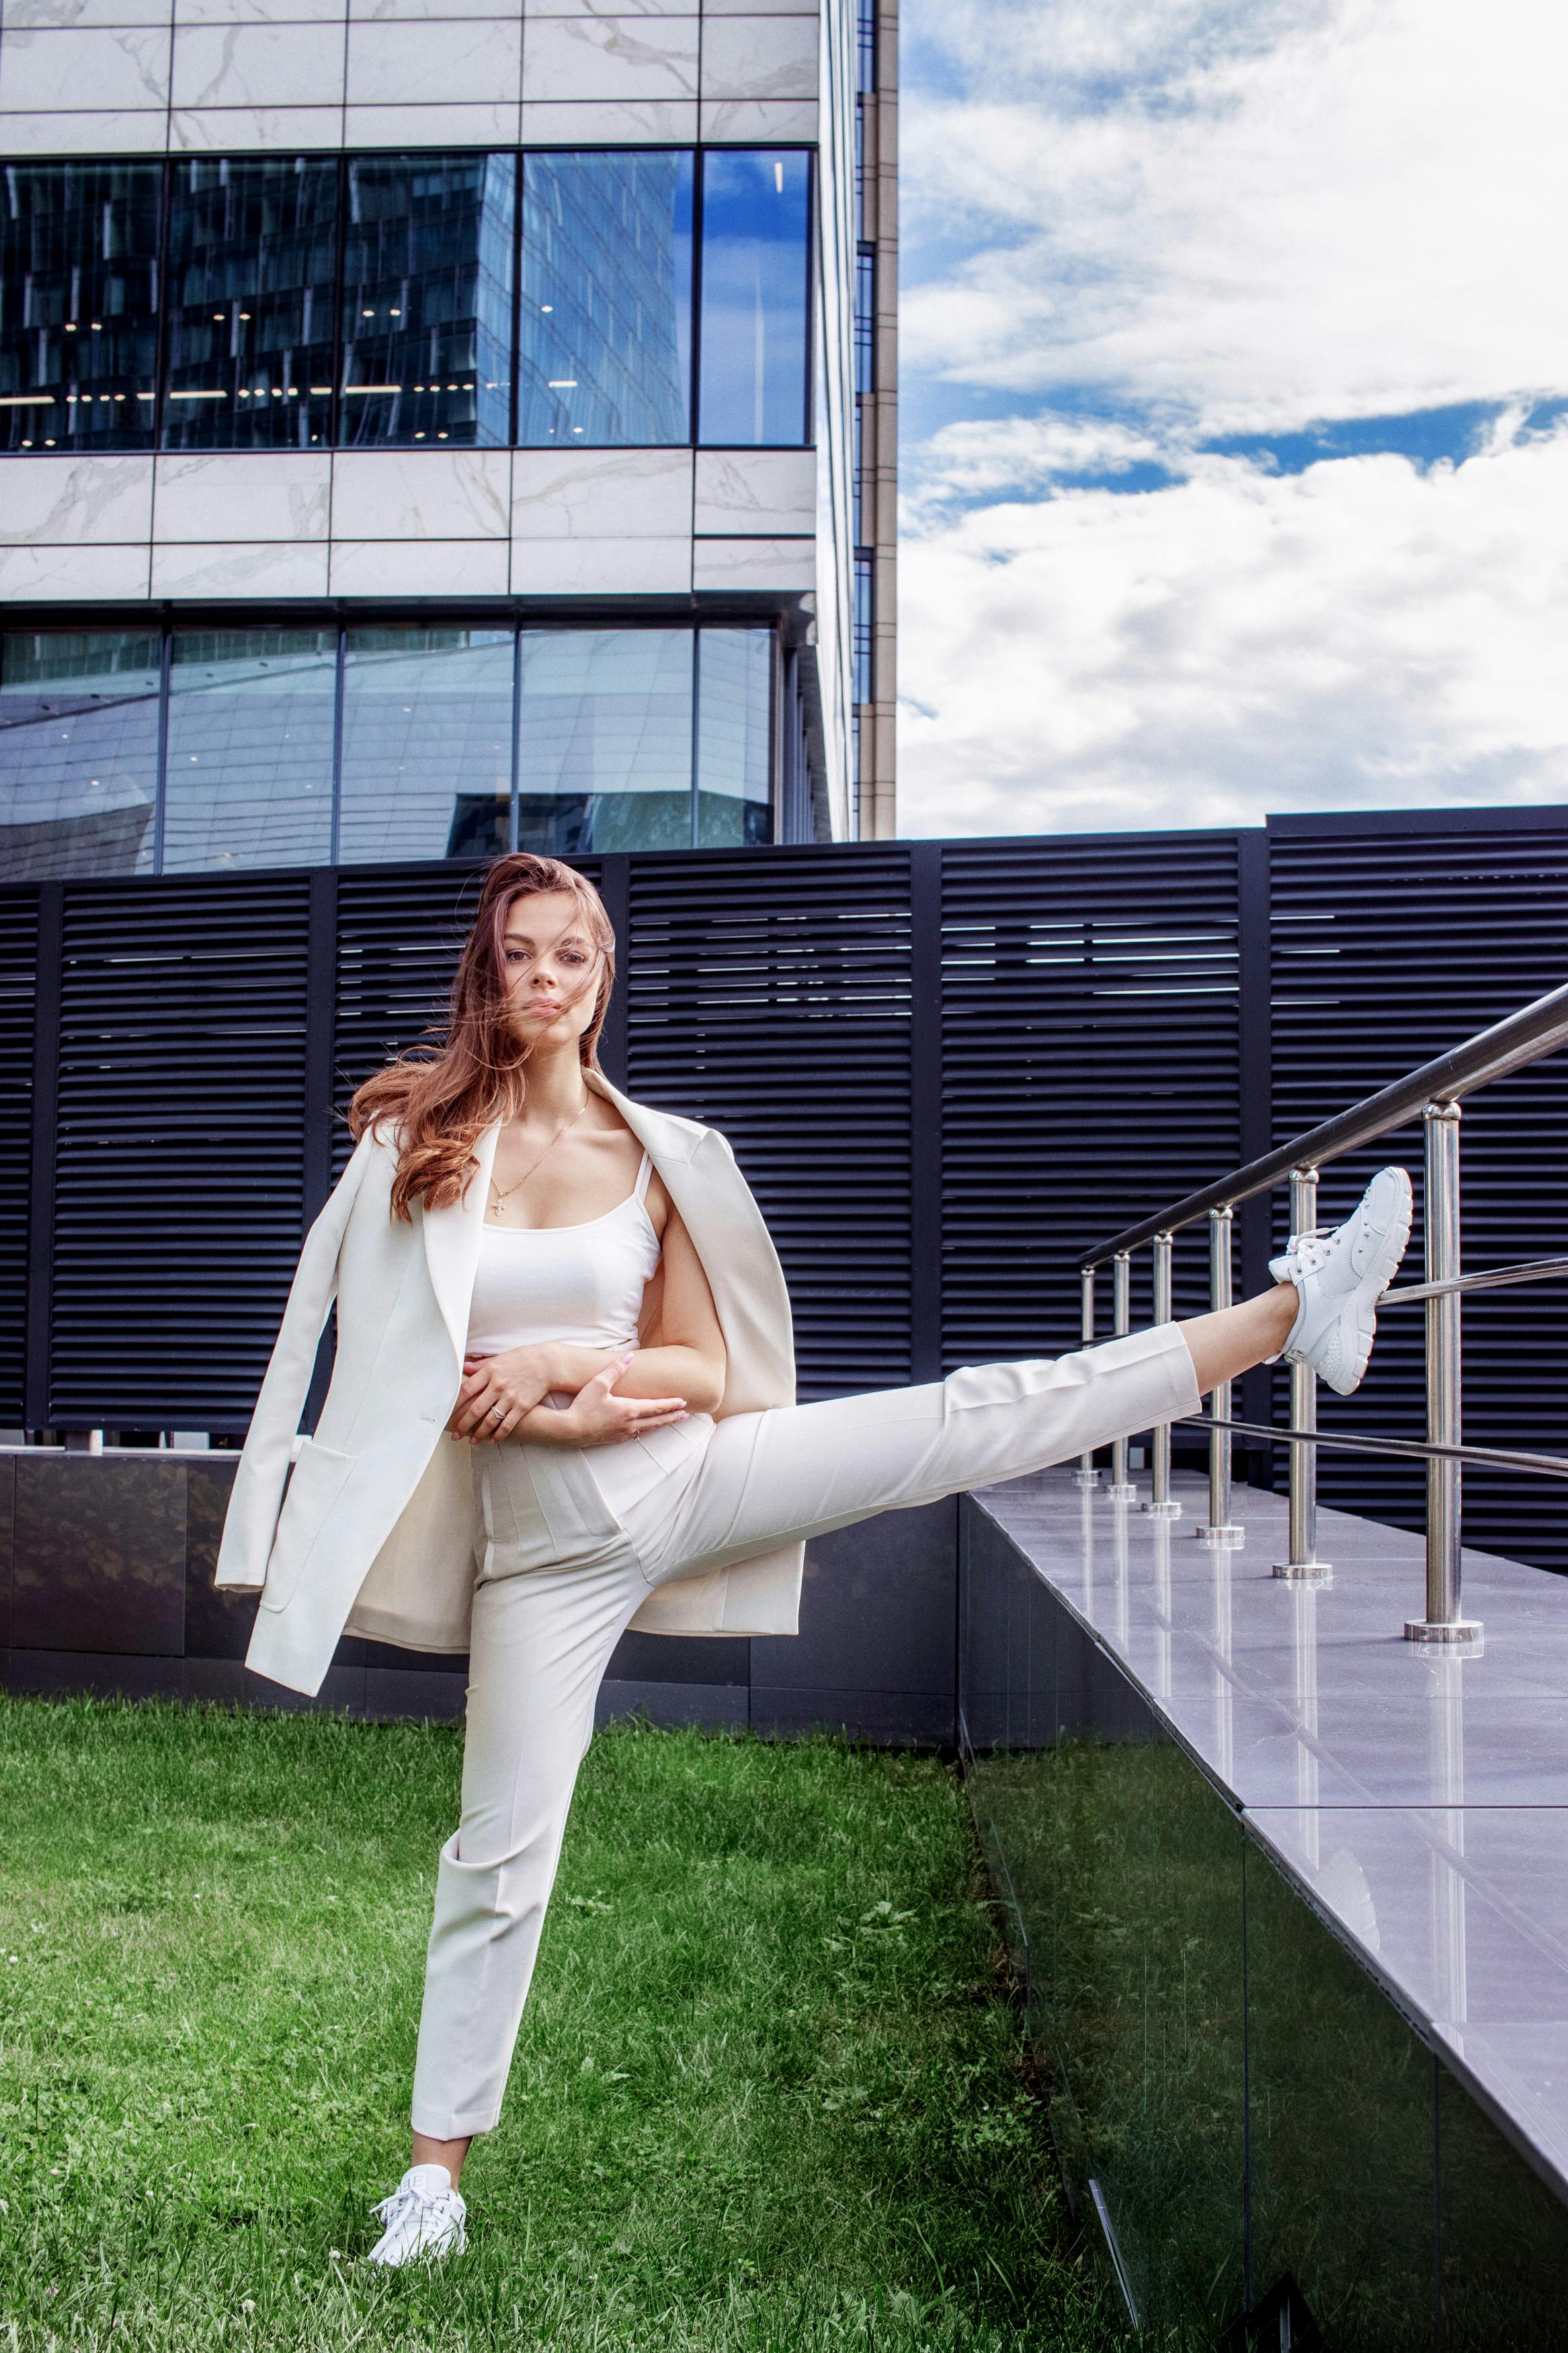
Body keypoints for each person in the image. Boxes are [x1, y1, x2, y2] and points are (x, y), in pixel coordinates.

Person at [214, 852, 1413, 2267]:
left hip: (682, 1479)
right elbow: (362, 1359)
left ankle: (1288, 1313)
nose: (544, 978)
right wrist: (498, 1421)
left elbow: (705, 1369)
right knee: (497, 1852)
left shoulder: (660, 1156)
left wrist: (567, 1372)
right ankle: (433, 2188)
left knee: (970, 1416)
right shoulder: (415, 1142)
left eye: (571, 955)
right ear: (489, 973)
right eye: (519, 954)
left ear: (603, 979)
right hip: (539, 1561)